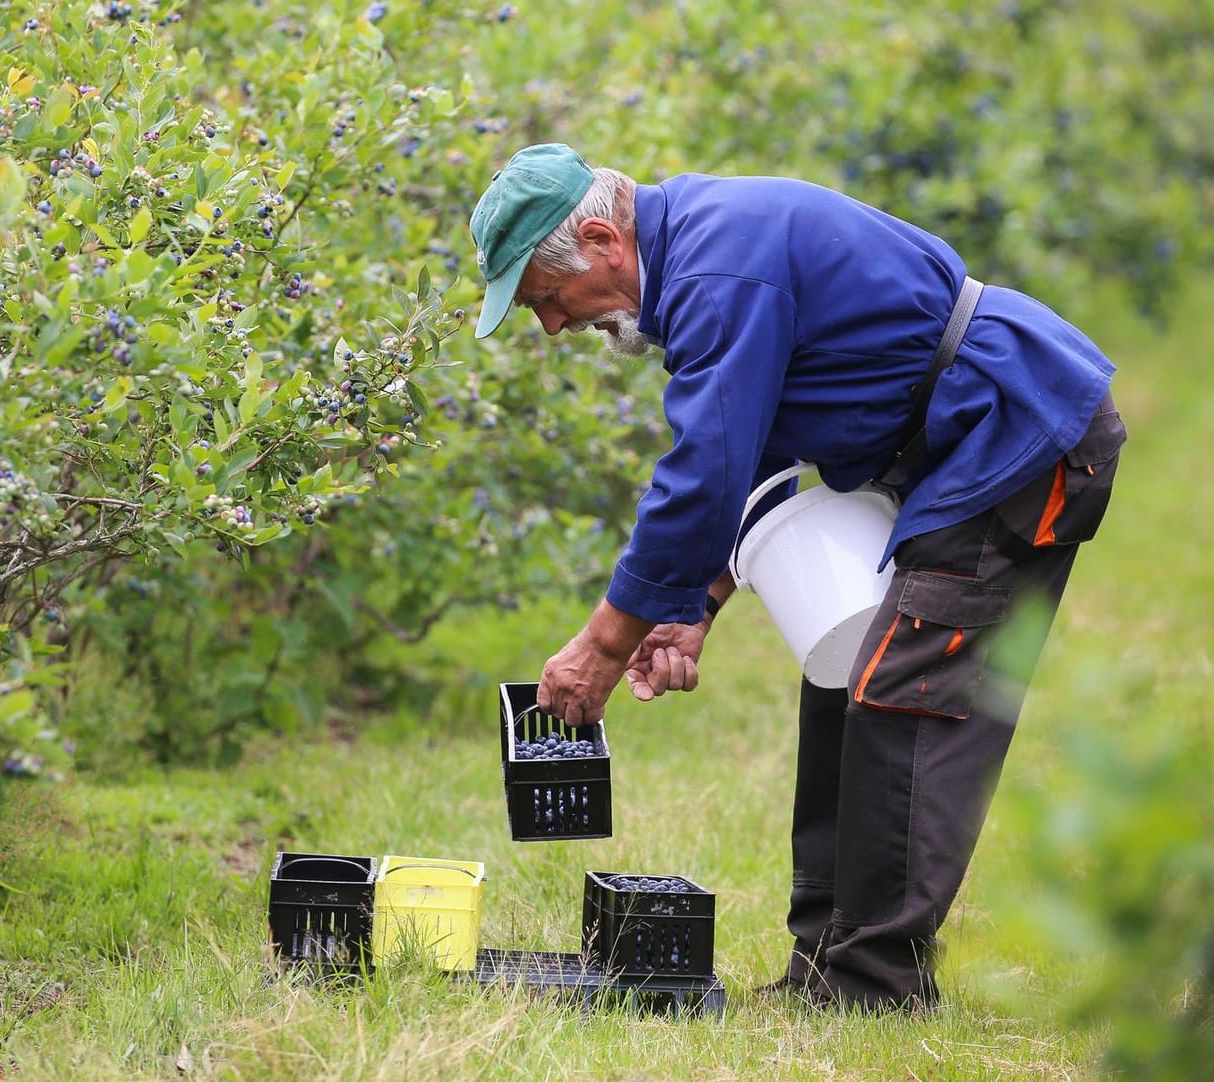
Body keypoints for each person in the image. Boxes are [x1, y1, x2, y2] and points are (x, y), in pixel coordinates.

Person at [469, 143, 1126, 1011]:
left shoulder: (721, 270)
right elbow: (753, 446)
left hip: (1015, 432)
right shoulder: (702, 256)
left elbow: (701, 474)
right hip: (949, 449)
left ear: (600, 240)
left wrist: (603, 644)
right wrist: (694, 607)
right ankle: (823, 962)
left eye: (546, 300)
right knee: (844, 679)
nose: (553, 328)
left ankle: (873, 983)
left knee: (908, 690)